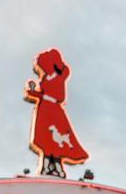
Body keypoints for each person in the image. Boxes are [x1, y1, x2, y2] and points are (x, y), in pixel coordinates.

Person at [24, 48, 89, 177]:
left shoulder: (60, 74)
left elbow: (65, 71)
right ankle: (46, 168)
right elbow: (42, 94)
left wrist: (55, 59)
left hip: (54, 108)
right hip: (44, 108)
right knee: (46, 140)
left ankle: (58, 168)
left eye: (42, 65)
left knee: (56, 141)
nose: (41, 68)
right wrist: (32, 91)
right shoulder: (45, 78)